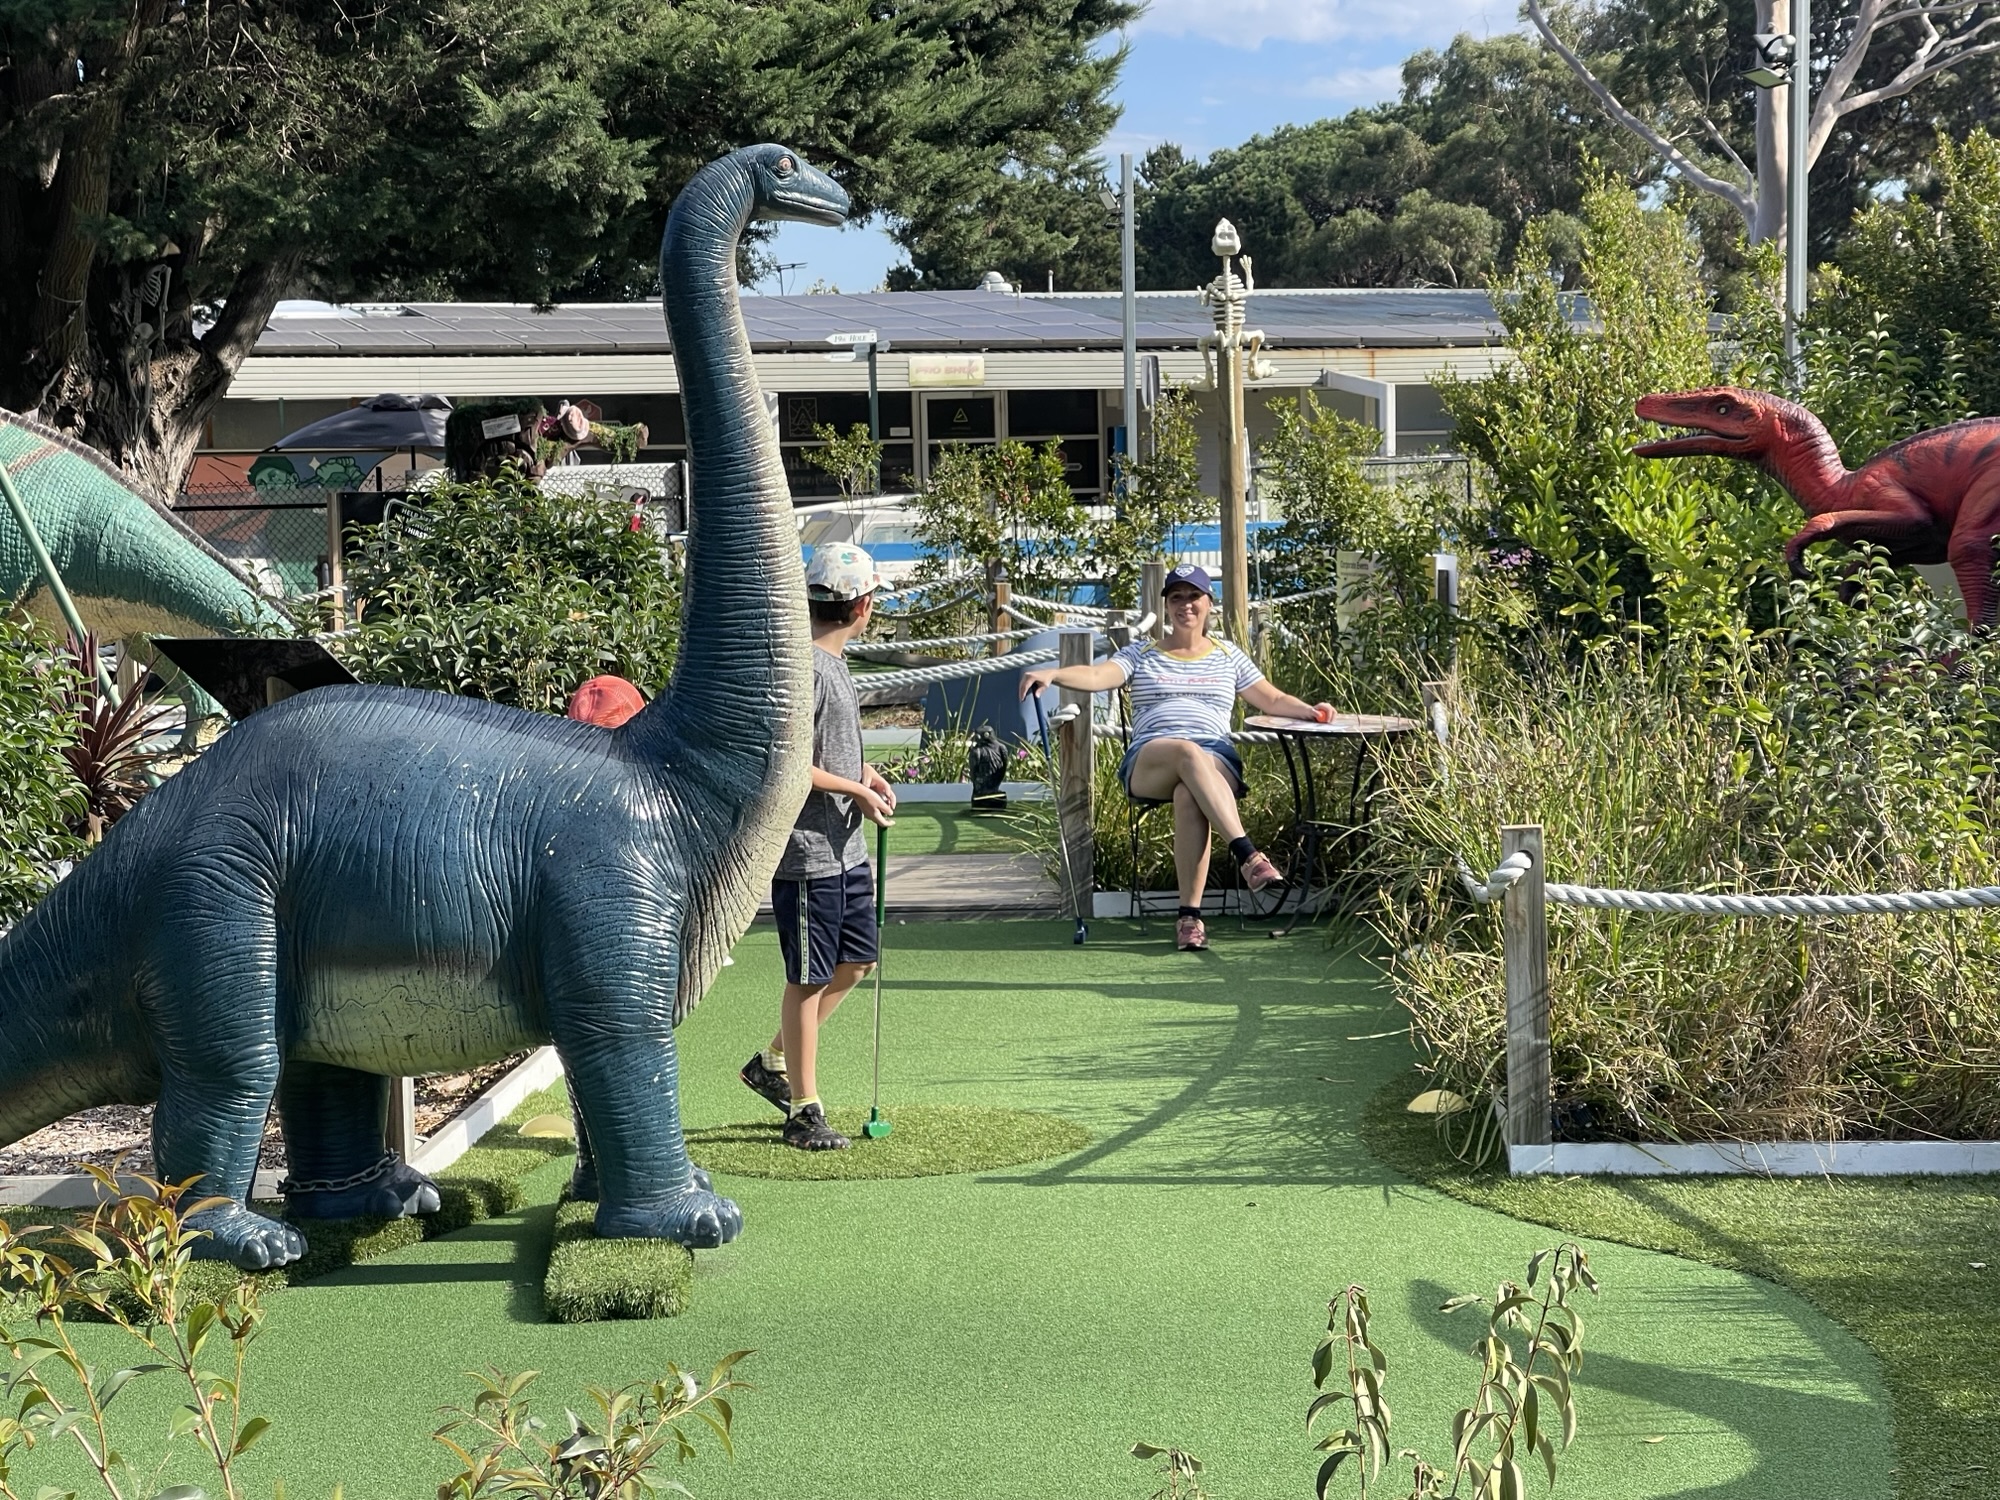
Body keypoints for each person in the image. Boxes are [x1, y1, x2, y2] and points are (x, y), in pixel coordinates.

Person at [1020, 563, 1332, 953]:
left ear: (1209, 603)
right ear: (1166, 605)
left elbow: (1271, 698)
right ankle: (1248, 855)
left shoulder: (1229, 655)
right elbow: (1099, 676)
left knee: (1189, 791)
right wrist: (1054, 673)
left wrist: (1311, 711)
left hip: (1215, 758)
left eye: (1194, 596)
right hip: (1152, 759)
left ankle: (1189, 919)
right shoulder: (1141, 653)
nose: (1186, 604)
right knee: (1186, 751)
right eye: (1177, 597)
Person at [739, 543, 898, 1149]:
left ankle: (772, 1062)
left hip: (845, 849)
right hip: (807, 855)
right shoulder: (805, 671)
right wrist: (855, 789)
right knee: (807, 978)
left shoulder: (832, 664)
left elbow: (828, 753)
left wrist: (866, 775)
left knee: (856, 962)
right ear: (863, 607)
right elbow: (789, 765)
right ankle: (804, 1109)